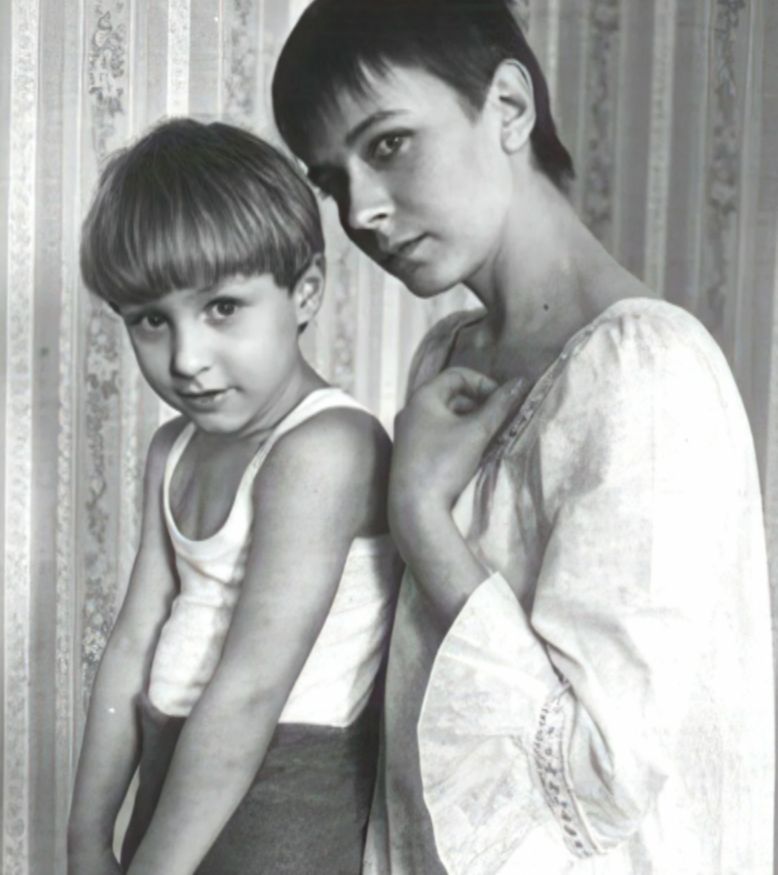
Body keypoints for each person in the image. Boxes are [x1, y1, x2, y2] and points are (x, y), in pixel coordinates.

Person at [271, 1, 775, 872]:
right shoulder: (446, 355)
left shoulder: (647, 369)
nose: (361, 212)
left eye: (388, 145)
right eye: (331, 181)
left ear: (508, 105)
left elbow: (598, 780)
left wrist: (421, 517)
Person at [66, 118, 400, 875]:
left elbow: (252, 688)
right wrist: (87, 836)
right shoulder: (174, 449)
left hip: (285, 797)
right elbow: (132, 644)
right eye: (152, 320)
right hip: (178, 769)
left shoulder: (325, 447)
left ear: (305, 292)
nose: (187, 359)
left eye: (221, 307)